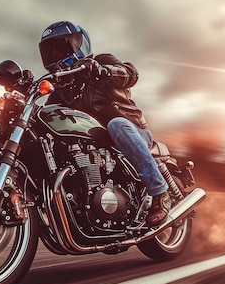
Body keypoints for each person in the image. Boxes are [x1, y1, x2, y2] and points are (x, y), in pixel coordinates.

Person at [38, 21, 170, 226]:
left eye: (61, 48)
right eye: (50, 52)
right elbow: (49, 115)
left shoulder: (100, 62)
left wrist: (102, 70)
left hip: (132, 129)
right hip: (98, 146)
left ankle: (159, 192)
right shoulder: (60, 90)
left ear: (79, 45)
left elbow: (130, 73)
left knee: (116, 124)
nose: (56, 56)